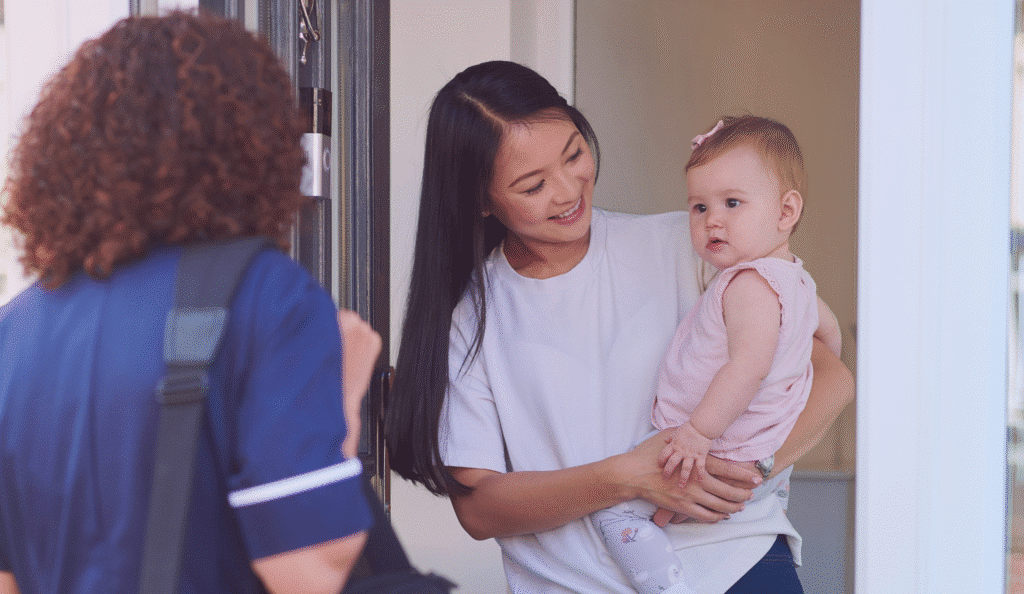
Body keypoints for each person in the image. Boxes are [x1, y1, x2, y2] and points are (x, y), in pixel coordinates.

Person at [385, 60, 853, 594]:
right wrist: (627, 476)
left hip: (732, 568)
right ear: (481, 201)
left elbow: (830, 376)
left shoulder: (693, 246)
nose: (567, 190)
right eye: (533, 185)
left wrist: (749, 467)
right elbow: (481, 510)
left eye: (574, 154)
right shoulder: (473, 320)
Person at [0, 11, 378, 594]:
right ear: (253, 141)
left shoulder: (14, 330)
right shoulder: (264, 297)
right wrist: (347, 390)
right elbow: (308, 569)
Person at [590, 116, 843, 594]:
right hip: (758, 460)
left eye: (732, 203)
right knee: (672, 513)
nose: (713, 220)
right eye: (699, 207)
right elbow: (830, 341)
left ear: (786, 211)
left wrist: (697, 433)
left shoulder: (747, 284)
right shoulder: (800, 282)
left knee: (616, 513)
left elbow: (746, 367)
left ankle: (667, 587)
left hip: (714, 449)